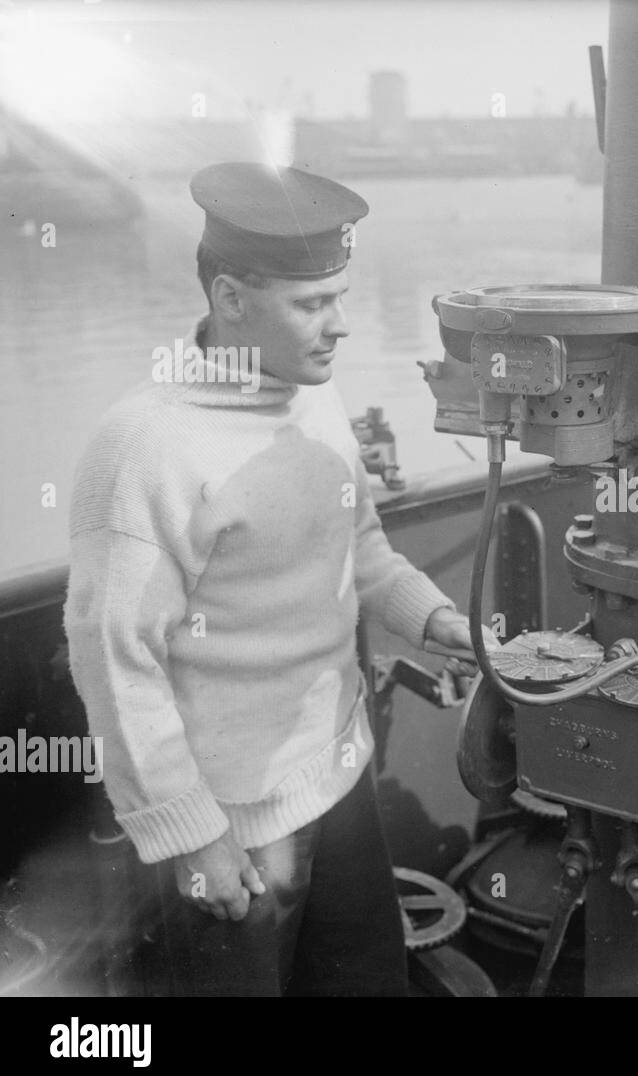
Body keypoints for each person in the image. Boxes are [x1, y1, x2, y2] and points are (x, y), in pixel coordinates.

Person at [64, 162, 494, 996]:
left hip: (341, 791)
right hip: (231, 826)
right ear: (230, 299)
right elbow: (116, 662)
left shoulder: (310, 393)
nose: (340, 326)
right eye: (312, 304)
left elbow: (359, 548)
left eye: (340, 295)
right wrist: (192, 836)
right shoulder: (144, 448)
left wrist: (437, 621)